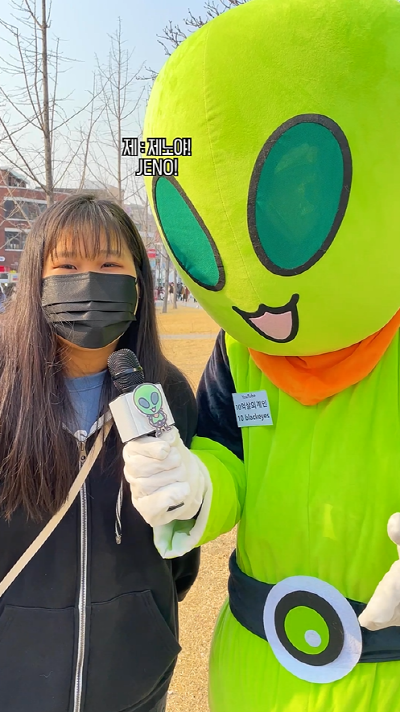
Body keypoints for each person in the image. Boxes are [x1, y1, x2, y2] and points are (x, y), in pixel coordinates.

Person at [125, 1, 400, 711]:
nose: (256, 297)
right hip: (256, 663)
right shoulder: (240, 352)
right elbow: (229, 456)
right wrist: (197, 486)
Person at [0, 193, 199, 712]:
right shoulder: (4, 391)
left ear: (139, 282)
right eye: (66, 266)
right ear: (36, 280)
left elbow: (179, 546)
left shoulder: (167, 394)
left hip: (132, 682)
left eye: (110, 265)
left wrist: (148, 619)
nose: (89, 282)